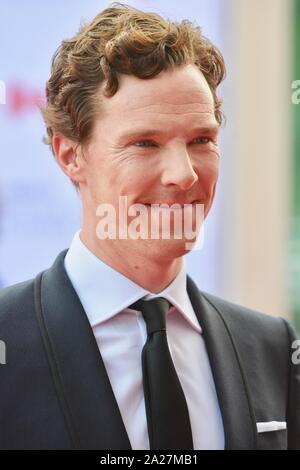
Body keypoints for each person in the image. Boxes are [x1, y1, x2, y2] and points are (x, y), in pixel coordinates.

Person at [0, 3, 299, 450]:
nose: (184, 174)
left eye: (201, 140)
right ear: (70, 155)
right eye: (145, 143)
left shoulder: (273, 348)